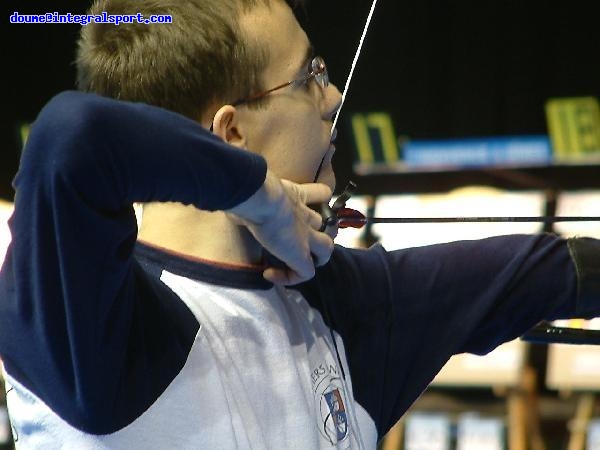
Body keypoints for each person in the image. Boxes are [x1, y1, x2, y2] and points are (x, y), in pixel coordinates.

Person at [1, 0, 600, 448]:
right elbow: (72, 137)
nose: (334, 96)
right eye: (310, 74)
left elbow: (556, 271)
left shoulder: (345, 303)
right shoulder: (93, 320)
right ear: (231, 132)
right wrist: (260, 197)